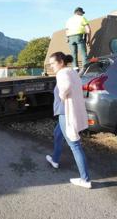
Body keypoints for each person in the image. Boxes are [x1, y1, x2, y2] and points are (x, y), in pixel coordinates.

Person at [46, 51, 91, 189]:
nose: (52, 66)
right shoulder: (72, 72)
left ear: (61, 62)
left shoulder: (62, 73)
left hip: (66, 114)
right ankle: (55, 160)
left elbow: (65, 88)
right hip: (66, 112)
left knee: (75, 145)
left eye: (53, 63)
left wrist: (62, 95)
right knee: (58, 134)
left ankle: (85, 179)